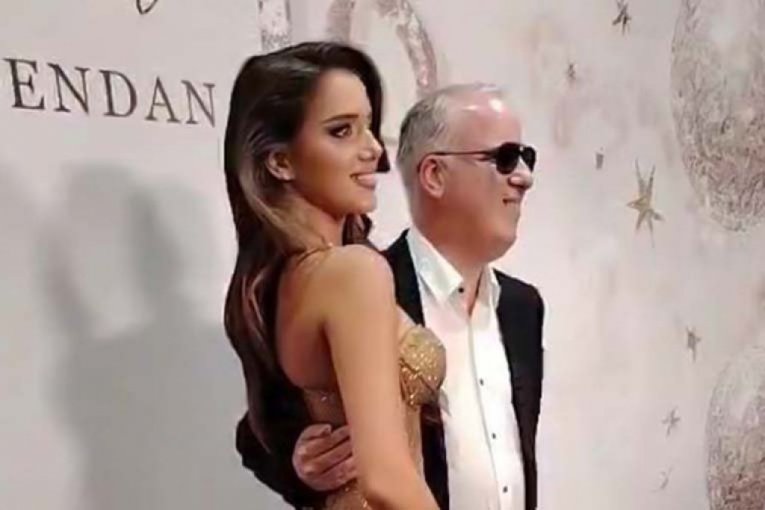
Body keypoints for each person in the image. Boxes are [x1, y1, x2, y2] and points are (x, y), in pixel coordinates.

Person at [236, 82, 545, 510]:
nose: (524, 177)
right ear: (434, 174)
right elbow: (262, 427)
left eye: (528, 157)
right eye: (505, 158)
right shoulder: (361, 283)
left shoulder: (523, 307)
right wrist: (299, 459)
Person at [223, 41, 443, 510]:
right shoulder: (352, 272)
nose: (374, 150)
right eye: (342, 131)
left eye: (370, 127)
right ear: (280, 161)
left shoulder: (288, 280)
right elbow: (387, 479)